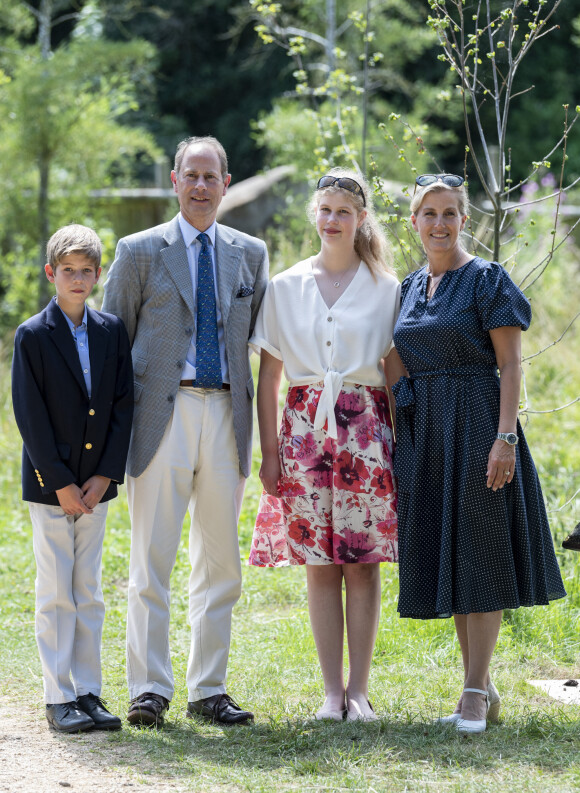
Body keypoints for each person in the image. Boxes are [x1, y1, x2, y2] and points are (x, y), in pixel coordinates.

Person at [102, 135, 268, 727]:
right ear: (175, 180)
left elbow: (262, 345)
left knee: (220, 561)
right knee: (152, 558)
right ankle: (149, 688)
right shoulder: (139, 250)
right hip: (160, 418)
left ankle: (208, 688)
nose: (200, 187)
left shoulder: (250, 253)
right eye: (190, 175)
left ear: (227, 183)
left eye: (211, 177)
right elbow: (111, 342)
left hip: (226, 416)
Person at [391, 173, 566, 734]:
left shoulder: (487, 279)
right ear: (414, 222)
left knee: (483, 554)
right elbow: (394, 357)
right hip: (429, 435)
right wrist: (403, 419)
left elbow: (511, 364)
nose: (439, 223)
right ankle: (482, 686)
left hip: (480, 425)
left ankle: (471, 693)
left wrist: (505, 437)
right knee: (456, 556)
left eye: (449, 213)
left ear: (465, 219)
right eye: (428, 213)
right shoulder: (409, 287)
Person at [249, 169, 401, 721]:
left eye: (345, 211)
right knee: (319, 565)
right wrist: (269, 455)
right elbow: (268, 380)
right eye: (326, 209)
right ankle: (330, 691)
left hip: (366, 437)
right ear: (315, 215)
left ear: (361, 219)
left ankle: (359, 691)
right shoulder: (286, 286)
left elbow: (395, 373)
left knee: (362, 564)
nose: (333, 220)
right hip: (304, 437)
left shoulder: (387, 288)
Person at [11, 224, 134, 733]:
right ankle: (58, 694)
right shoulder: (32, 336)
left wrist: (106, 474)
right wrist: (59, 479)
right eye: (68, 272)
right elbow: (28, 412)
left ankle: (88, 691)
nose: (78, 280)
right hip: (52, 485)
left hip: (96, 485)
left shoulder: (111, 331)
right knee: (56, 589)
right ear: (51, 274)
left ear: (99, 275)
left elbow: (123, 406)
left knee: (89, 589)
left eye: (87, 272)